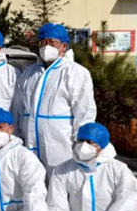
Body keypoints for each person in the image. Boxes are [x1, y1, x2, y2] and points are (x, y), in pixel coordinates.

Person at [12, 23, 96, 175]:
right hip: (30, 145)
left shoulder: (75, 72)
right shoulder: (29, 74)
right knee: (31, 182)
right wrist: (17, 135)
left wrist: (82, 142)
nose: (46, 46)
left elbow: (84, 112)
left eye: (52, 42)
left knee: (59, 183)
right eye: (43, 42)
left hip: (61, 146)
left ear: (64, 46)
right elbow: (18, 108)